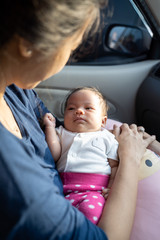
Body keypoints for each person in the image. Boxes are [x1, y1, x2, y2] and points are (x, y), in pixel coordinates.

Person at [0, 0, 157, 239]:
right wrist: (130, 159)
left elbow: (61, 127)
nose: (65, 60)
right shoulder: (17, 184)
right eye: (71, 47)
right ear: (27, 45)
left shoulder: (17, 92)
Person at [43, 87, 119, 224]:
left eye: (88, 108)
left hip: (94, 192)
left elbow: (114, 165)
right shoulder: (61, 133)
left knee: (90, 212)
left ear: (103, 121)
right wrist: (49, 128)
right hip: (62, 190)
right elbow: (54, 155)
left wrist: (112, 187)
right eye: (71, 108)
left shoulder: (106, 137)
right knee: (54, 217)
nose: (79, 111)